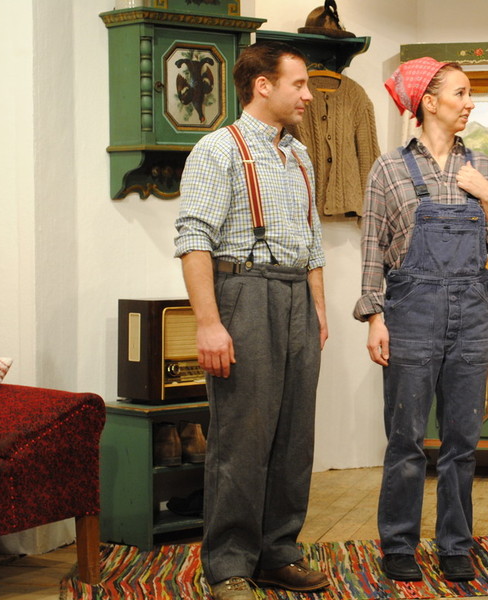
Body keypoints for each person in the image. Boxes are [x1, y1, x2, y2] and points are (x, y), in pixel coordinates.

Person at [174, 41, 329, 600]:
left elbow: (312, 240)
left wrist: (318, 308)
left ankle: (277, 553)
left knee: (294, 437)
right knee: (242, 437)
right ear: (263, 85)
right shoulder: (218, 149)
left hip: (296, 297)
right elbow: (194, 239)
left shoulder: (300, 155)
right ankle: (229, 565)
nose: (308, 96)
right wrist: (208, 323)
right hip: (244, 292)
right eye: (299, 84)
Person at [354, 57, 488, 583]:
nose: (470, 103)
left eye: (470, 94)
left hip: (471, 311)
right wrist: (374, 317)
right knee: (405, 439)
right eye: (461, 93)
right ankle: (399, 544)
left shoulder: (484, 167)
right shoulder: (389, 169)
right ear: (428, 101)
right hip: (411, 311)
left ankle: (455, 544)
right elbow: (372, 249)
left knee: (461, 441)